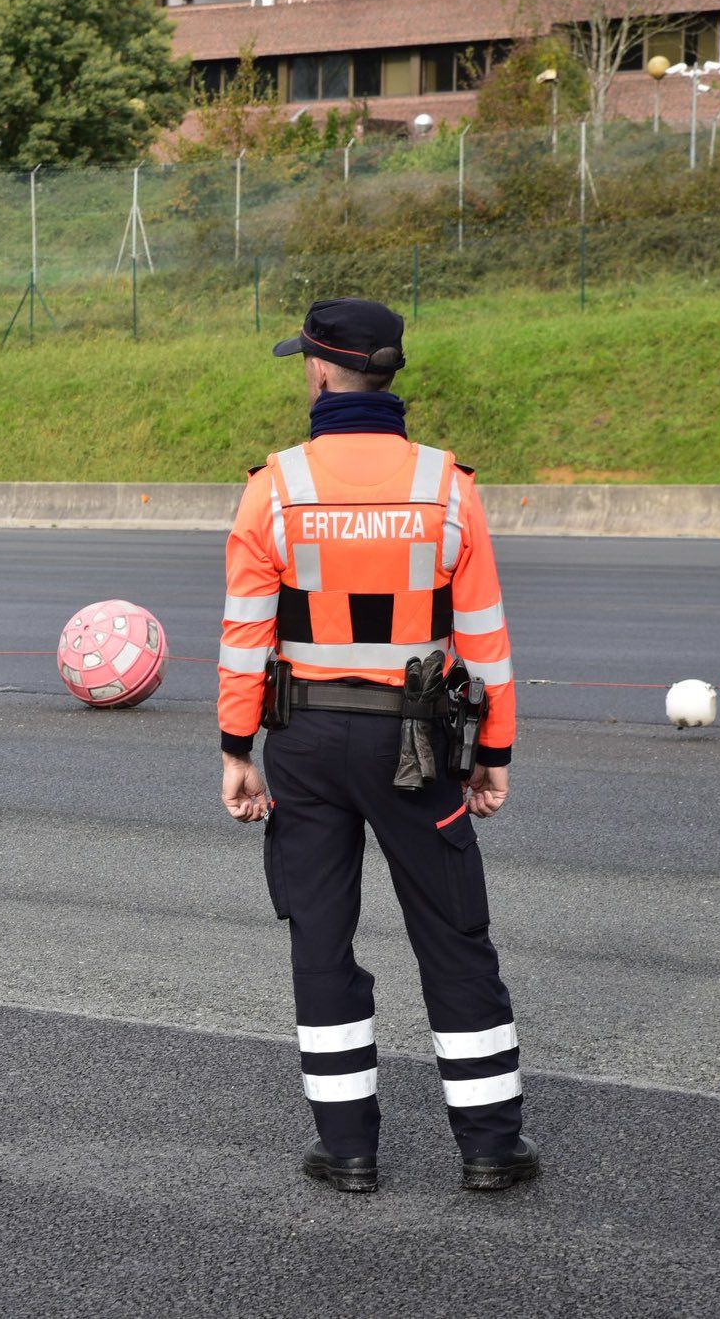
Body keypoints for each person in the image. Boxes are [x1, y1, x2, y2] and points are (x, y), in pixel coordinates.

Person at [216, 298, 536, 1193]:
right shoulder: (448, 484)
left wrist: (238, 744)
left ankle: (350, 1151)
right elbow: (485, 638)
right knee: (454, 934)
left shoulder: (273, 486)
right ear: (386, 375)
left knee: (322, 938)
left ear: (319, 372)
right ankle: (490, 1150)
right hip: (418, 742)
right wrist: (494, 755)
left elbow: (246, 636)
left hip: (309, 740)